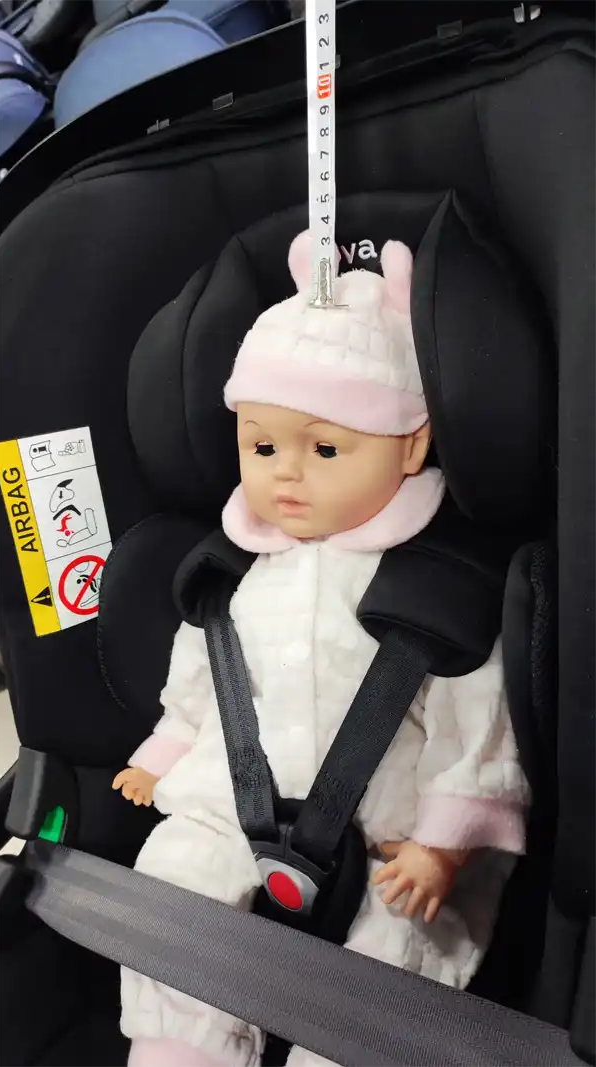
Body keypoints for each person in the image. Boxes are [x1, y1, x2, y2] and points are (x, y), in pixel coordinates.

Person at [113, 231, 529, 1067]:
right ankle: (181, 1044)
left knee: (403, 946)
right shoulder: (236, 571)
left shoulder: (435, 583)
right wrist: (168, 749)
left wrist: (448, 837)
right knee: (174, 880)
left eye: (325, 448)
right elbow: (201, 676)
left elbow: (477, 720)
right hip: (233, 802)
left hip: (390, 837)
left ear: (410, 445)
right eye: (261, 447)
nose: (286, 476)